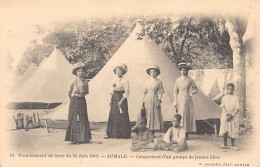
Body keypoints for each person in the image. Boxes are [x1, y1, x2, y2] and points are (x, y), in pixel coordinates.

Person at [65, 62, 91, 144]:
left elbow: (86, 92)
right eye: (79, 71)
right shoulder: (72, 81)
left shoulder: (86, 82)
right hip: (74, 100)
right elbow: (68, 92)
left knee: (82, 118)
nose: (81, 73)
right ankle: (75, 138)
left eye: (82, 71)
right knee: (75, 118)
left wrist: (81, 96)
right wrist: (72, 100)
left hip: (82, 100)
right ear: (76, 72)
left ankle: (83, 138)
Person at [105, 63, 131, 139]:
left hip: (122, 98)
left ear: (123, 71)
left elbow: (127, 92)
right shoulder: (113, 79)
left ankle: (122, 134)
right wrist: (110, 100)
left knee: (122, 115)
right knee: (114, 114)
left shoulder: (125, 80)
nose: (118, 72)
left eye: (120, 70)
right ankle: (113, 133)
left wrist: (121, 101)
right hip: (114, 97)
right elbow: (111, 90)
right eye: (116, 70)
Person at [173, 62, 197, 139]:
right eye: (181, 70)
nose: (183, 71)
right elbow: (175, 90)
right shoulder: (177, 80)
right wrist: (175, 99)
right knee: (180, 114)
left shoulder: (189, 80)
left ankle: (186, 133)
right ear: (180, 71)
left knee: (186, 114)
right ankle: (179, 133)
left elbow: (195, 88)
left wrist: (191, 92)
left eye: (184, 70)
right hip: (179, 98)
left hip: (187, 98)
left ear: (187, 71)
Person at [142, 65, 165, 137]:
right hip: (147, 98)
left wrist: (159, 100)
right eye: (151, 72)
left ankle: (152, 131)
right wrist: (143, 100)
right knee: (147, 113)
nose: (152, 73)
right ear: (149, 73)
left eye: (154, 72)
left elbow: (161, 92)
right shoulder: (147, 81)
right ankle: (147, 130)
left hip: (155, 98)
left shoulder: (159, 82)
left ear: (156, 73)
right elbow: (145, 91)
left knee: (154, 114)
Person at [219, 83, 240, 151]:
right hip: (225, 115)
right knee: (225, 129)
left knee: (233, 130)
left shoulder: (236, 98)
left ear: (233, 90)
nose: (230, 90)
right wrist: (227, 114)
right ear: (227, 90)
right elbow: (222, 107)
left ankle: (232, 145)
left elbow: (237, 108)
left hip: (233, 116)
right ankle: (225, 144)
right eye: (229, 89)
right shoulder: (224, 98)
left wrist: (232, 115)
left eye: (231, 89)